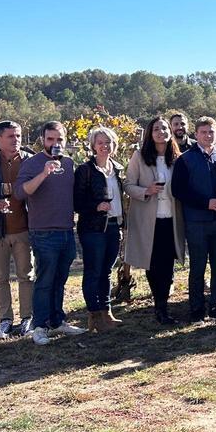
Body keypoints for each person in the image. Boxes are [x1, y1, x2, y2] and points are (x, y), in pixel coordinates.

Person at [16, 121, 87, 346]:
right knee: (45, 280)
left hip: (67, 230)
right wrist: (44, 174)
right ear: (43, 140)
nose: (55, 144)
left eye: (60, 140)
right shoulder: (33, 163)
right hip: (43, 232)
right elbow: (20, 192)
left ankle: (57, 320)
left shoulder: (68, 162)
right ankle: (39, 326)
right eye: (51, 139)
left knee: (60, 279)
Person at [172, 116, 216, 322]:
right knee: (198, 267)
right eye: (203, 132)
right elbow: (178, 190)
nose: (208, 136)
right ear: (196, 134)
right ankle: (197, 310)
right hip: (197, 222)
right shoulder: (185, 159)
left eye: (211, 132)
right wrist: (205, 202)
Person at [125, 115, 185, 325]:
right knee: (153, 263)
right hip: (148, 221)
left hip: (171, 219)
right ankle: (159, 306)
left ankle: (163, 306)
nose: (161, 132)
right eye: (157, 129)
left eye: (164, 128)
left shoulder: (178, 159)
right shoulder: (139, 157)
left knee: (167, 264)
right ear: (150, 134)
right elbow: (128, 185)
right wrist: (146, 190)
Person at [0, 120, 34, 339]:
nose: (16, 140)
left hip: (24, 228)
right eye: (11, 136)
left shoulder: (31, 162)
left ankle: (27, 319)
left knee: (27, 276)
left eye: (19, 135)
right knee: (0, 278)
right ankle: (5, 321)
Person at [73, 126, 126, 333]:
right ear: (93, 146)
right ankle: (94, 315)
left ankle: (107, 312)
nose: (105, 146)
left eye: (109, 142)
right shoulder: (85, 170)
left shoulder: (118, 169)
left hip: (114, 226)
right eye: (100, 142)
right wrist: (96, 206)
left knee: (107, 271)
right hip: (93, 228)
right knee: (93, 271)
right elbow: (76, 202)